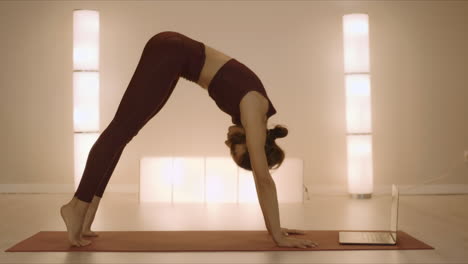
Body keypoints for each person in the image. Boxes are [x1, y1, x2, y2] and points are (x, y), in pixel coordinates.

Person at [60, 31, 318, 249]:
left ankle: (88, 210)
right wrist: (277, 236)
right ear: (253, 144)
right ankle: (76, 206)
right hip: (170, 52)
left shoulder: (255, 111)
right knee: (119, 130)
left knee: (124, 133)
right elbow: (263, 179)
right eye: (234, 149)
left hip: (173, 56)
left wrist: (277, 227)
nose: (228, 143)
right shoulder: (254, 111)